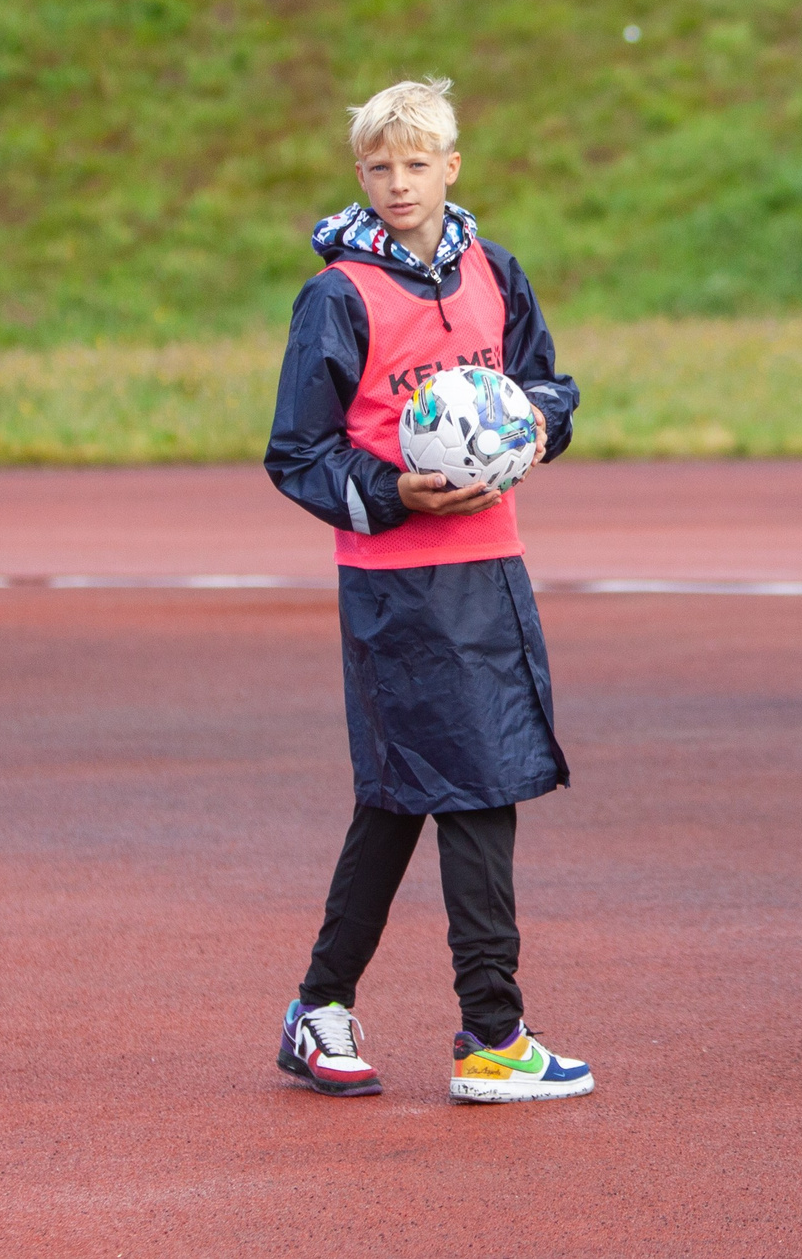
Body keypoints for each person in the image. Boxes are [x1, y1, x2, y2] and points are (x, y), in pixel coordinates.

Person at [264, 78, 595, 1102]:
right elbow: (297, 451)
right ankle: (492, 1031)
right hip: (398, 586)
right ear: (358, 175)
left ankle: (319, 1008)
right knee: (479, 784)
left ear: (452, 165)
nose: (399, 182)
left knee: (404, 795)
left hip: (491, 565)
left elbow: (546, 383)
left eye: (417, 163)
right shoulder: (338, 295)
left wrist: (533, 427)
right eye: (378, 166)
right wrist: (389, 490)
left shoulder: (495, 269)